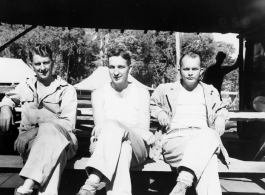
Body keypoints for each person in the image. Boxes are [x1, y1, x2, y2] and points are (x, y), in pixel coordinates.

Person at [0, 44, 78, 195]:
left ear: (52, 62)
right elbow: (8, 98)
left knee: (50, 130)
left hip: (65, 142)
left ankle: (26, 187)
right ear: (31, 65)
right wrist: (5, 107)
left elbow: (68, 124)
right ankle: (25, 189)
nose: (42, 68)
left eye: (46, 62)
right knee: (55, 155)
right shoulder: (26, 86)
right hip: (31, 146)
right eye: (37, 63)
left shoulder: (66, 90)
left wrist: (36, 129)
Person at [77, 48, 155, 195]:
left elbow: (143, 130)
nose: (116, 72)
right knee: (123, 148)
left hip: (137, 148)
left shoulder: (141, 93)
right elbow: (100, 129)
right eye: (112, 67)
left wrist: (115, 124)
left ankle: (92, 182)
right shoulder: (99, 93)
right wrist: (125, 128)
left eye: (121, 67)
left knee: (112, 126)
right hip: (103, 146)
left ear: (129, 68)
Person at [150, 51, 229, 195]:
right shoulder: (165, 89)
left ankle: (182, 183)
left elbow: (221, 109)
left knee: (207, 135)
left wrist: (220, 118)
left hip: (204, 138)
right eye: (186, 69)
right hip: (176, 140)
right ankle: (185, 181)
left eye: (194, 69)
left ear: (201, 71)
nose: (190, 73)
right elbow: (151, 105)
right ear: (179, 70)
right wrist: (159, 112)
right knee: (209, 158)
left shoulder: (210, 91)